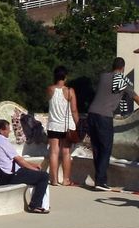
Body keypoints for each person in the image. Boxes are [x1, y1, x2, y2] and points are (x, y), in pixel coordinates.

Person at [87, 57, 136, 191]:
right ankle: (101, 181)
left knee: (96, 148)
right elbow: (135, 97)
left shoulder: (103, 77)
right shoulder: (122, 80)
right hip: (104, 116)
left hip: (91, 114)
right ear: (123, 68)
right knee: (106, 148)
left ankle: (98, 179)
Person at [0, 119, 51, 212]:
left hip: (2, 175)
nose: (9, 131)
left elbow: (16, 160)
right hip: (10, 176)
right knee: (43, 176)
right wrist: (34, 168)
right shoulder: (2, 141)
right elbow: (19, 160)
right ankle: (34, 205)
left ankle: (41, 204)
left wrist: (32, 165)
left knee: (37, 175)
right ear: (1, 130)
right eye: (8, 129)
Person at [46, 68, 79, 189]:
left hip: (53, 124)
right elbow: (74, 110)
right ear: (65, 77)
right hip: (67, 126)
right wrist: (78, 123)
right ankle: (66, 180)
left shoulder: (50, 89)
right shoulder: (70, 91)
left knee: (54, 152)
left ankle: (53, 180)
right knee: (66, 152)